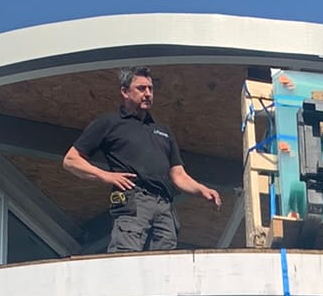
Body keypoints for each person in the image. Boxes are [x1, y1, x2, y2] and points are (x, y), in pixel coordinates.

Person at [62, 67, 221, 252]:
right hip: (134, 200)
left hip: (164, 205)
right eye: (141, 88)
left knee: (165, 261)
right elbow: (71, 160)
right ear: (125, 92)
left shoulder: (163, 131)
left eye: (150, 89)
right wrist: (106, 176)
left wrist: (201, 189)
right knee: (127, 256)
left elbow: (178, 174)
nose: (147, 94)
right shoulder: (110, 123)